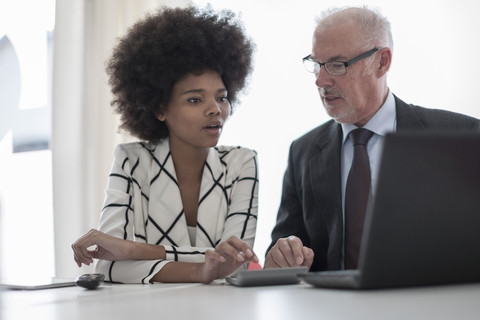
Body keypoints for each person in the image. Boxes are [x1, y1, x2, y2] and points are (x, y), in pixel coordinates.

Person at [264, 6, 480, 271]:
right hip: (333, 310)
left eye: (336, 65)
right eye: (317, 64)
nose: (320, 80)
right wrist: (283, 254)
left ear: (382, 62)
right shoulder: (303, 152)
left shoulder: (460, 136)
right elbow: (283, 247)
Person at [71, 5, 259, 284]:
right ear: (160, 108)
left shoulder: (241, 162)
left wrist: (131, 250)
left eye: (221, 97)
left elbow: (236, 261)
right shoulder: (130, 160)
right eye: (195, 99)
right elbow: (109, 265)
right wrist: (202, 270)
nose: (215, 110)